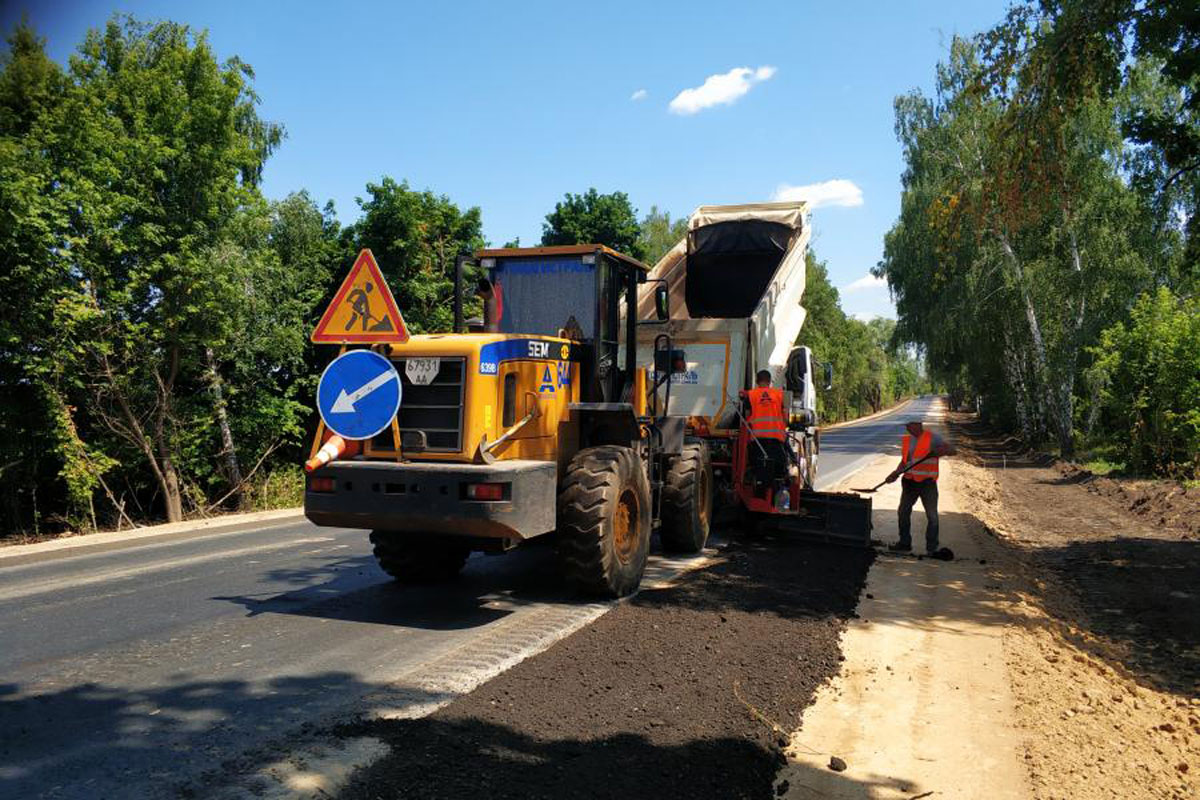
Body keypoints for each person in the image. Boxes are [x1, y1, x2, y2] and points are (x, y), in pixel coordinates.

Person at [885, 419, 956, 556]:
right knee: (903, 512)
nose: (906, 428)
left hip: (927, 484)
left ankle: (932, 548)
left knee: (932, 516)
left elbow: (953, 451)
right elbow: (905, 462)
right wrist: (895, 473)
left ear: (917, 425)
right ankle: (904, 543)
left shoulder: (933, 438)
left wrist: (941, 451)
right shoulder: (907, 440)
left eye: (908, 425)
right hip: (909, 482)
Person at [743, 370, 790, 504]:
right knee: (778, 471)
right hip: (776, 440)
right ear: (770, 382)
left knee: (758, 470)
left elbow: (746, 417)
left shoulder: (751, 395)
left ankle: (758, 497)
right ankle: (778, 500)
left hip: (757, 441)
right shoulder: (779, 395)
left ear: (757, 381)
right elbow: (785, 418)